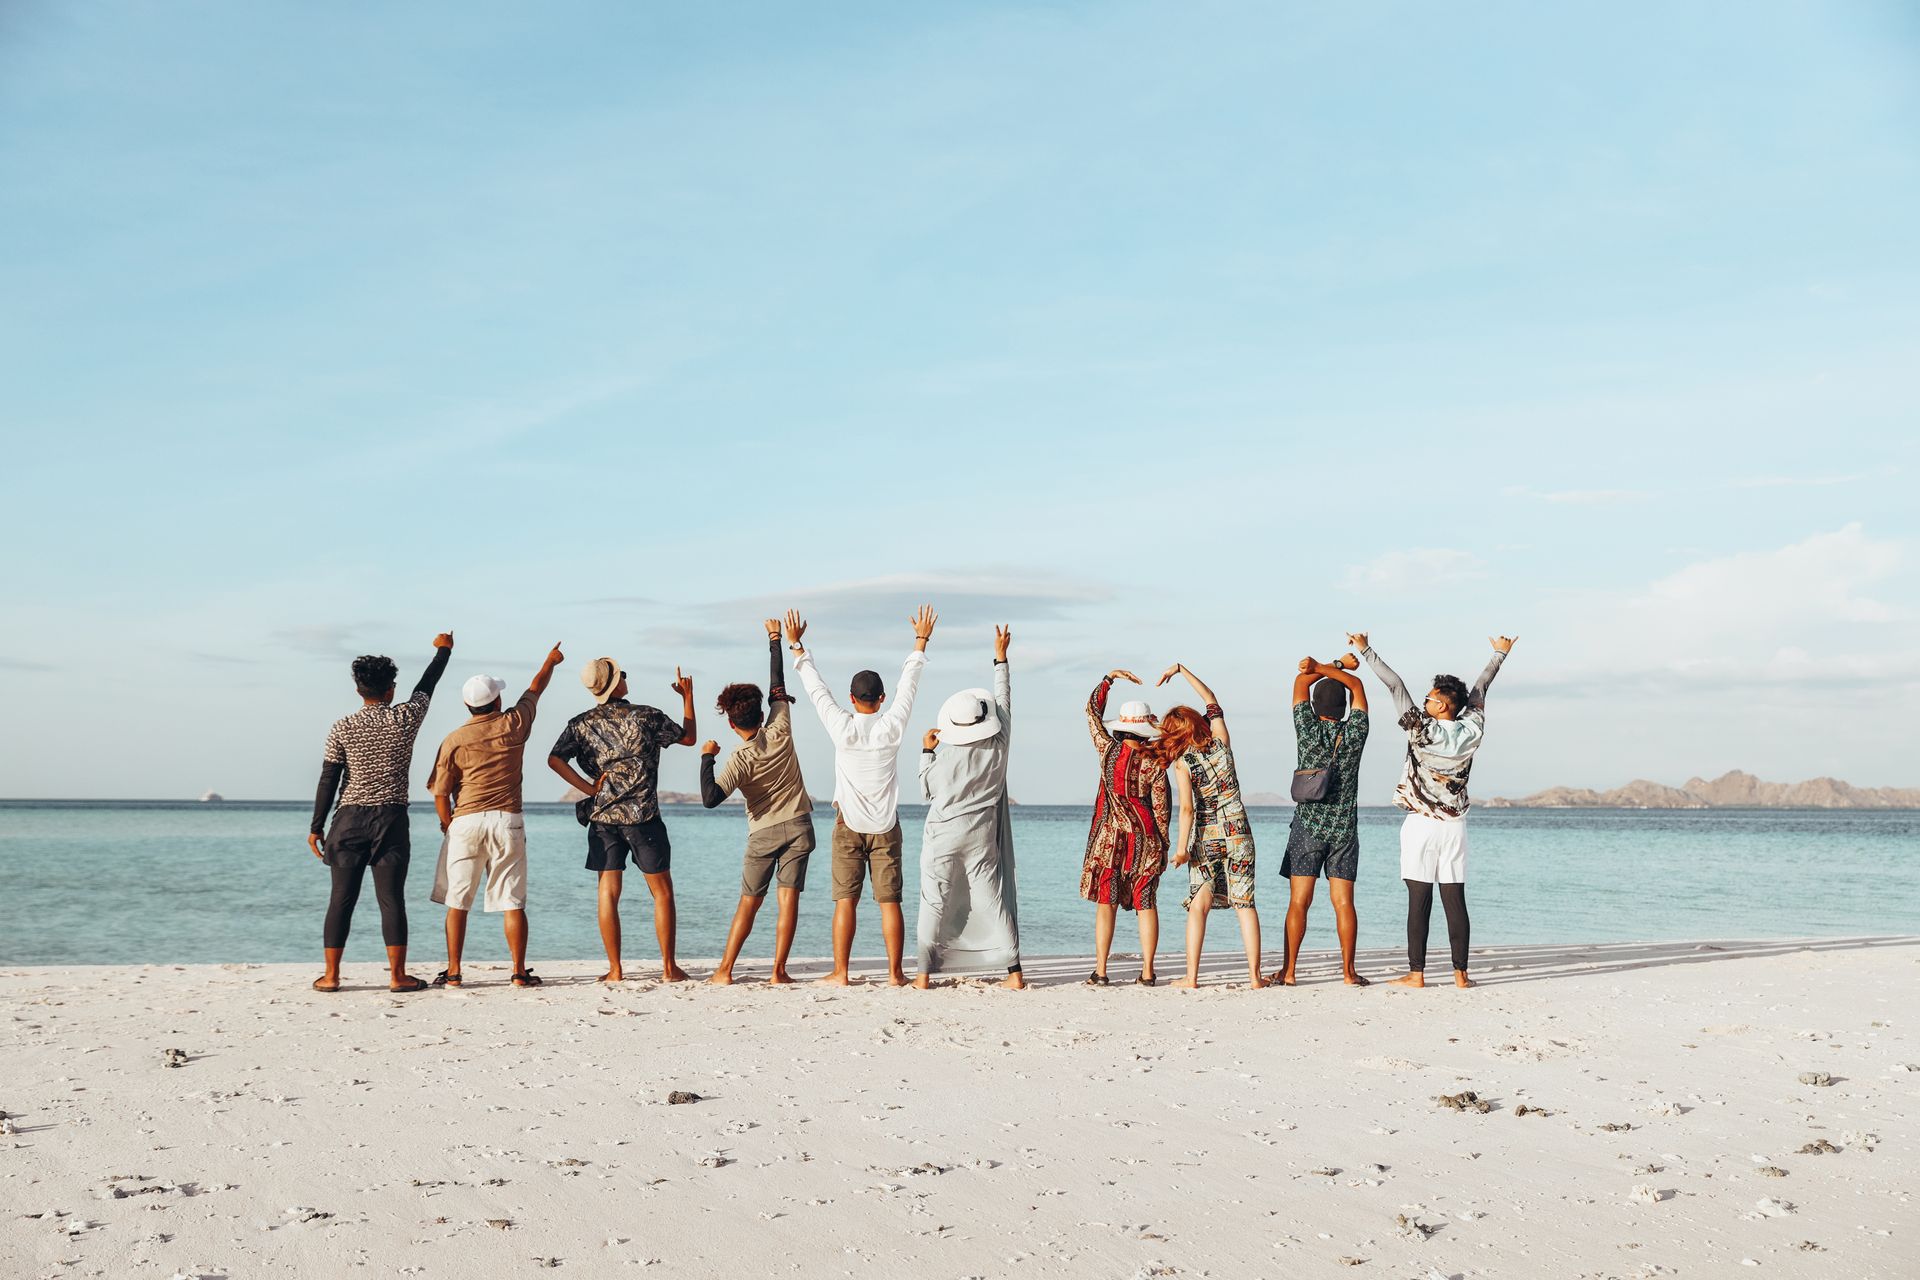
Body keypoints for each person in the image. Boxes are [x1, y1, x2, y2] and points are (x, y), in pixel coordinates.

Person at [1352, 632, 1517, 990]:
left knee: (1419, 898)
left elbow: (1394, 685)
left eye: (1429, 699)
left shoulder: (1421, 729)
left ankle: (1417, 974)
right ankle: (1461, 975)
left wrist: (1366, 649)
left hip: (1421, 825)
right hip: (1456, 826)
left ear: (1442, 706)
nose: (1424, 702)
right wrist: (1499, 655)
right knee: (1455, 898)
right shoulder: (1473, 728)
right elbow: (1479, 691)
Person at [789, 605, 935, 987]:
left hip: (848, 825)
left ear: (851, 699)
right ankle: (895, 973)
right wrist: (920, 640)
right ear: (880, 698)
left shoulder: (842, 727)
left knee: (845, 902)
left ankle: (841, 973)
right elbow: (910, 685)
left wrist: (797, 646)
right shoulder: (891, 727)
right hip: (886, 826)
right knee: (890, 902)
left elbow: (816, 689)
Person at [306, 632, 454, 994]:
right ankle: (397, 975)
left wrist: (316, 826)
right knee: (391, 900)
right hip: (390, 819)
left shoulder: (342, 726)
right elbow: (427, 684)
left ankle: (331, 976)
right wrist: (443, 650)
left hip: (348, 820)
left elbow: (329, 779)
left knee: (340, 900)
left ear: (359, 690)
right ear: (390, 690)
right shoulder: (406, 717)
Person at [546, 657, 697, 983]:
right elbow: (688, 738)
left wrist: (588, 788)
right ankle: (669, 968)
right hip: (643, 816)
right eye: (622, 675)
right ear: (616, 684)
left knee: (607, 893)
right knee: (662, 893)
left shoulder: (581, 724)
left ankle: (615, 970)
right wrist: (687, 697)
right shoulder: (646, 715)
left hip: (603, 818)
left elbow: (554, 759)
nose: (625, 678)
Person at [424, 643, 564, 990]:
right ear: (497, 701)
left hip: (466, 822)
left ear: (467, 705)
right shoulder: (514, 724)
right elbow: (536, 688)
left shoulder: (454, 739)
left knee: (458, 901)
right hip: (506, 820)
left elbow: (441, 792)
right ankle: (518, 972)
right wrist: (550, 660)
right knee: (512, 901)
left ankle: (454, 972)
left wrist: (447, 824)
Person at [700, 619, 816, 986]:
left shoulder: (738, 759)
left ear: (733, 724)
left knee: (749, 902)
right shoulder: (780, 727)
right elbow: (777, 684)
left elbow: (710, 799)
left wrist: (707, 757)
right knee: (789, 901)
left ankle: (724, 971)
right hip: (799, 825)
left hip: (763, 832)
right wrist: (775, 639)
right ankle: (778, 971)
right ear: (761, 714)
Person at [915, 625, 1021, 990]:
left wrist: (927, 751)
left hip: (943, 834)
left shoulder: (945, 759)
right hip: (981, 834)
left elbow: (927, 788)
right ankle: (1014, 973)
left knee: (934, 900)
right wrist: (1000, 657)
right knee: (992, 900)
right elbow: (1004, 698)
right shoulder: (1000, 742)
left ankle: (923, 976)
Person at [1154, 664, 1263, 990]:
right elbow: (1211, 698)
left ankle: (1192, 977)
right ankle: (1255, 977)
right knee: (1245, 904)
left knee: (1199, 906)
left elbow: (1186, 809)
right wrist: (1181, 670)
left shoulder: (1183, 762)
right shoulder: (1221, 743)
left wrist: (1181, 849)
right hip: (1240, 832)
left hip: (1208, 836)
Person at [1274, 653, 1371, 986]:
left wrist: (1324, 667)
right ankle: (1348, 972)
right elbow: (1357, 686)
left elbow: (1300, 682)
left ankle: (1288, 972)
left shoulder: (1307, 729)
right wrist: (1341, 670)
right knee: (1344, 902)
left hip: (1307, 827)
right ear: (1344, 708)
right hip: (1344, 828)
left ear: (1315, 707)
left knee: (1299, 901)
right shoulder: (1355, 733)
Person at [1079, 670, 1171, 986]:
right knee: (1146, 903)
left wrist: (1106, 680)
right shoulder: (1157, 762)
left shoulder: (1107, 750)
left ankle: (1101, 971)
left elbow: (1091, 712)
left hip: (1110, 840)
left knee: (1107, 903)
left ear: (1121, 725)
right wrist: (1165, 845)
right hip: (1145, 840)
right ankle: (1147, 972)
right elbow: (1161, 809)